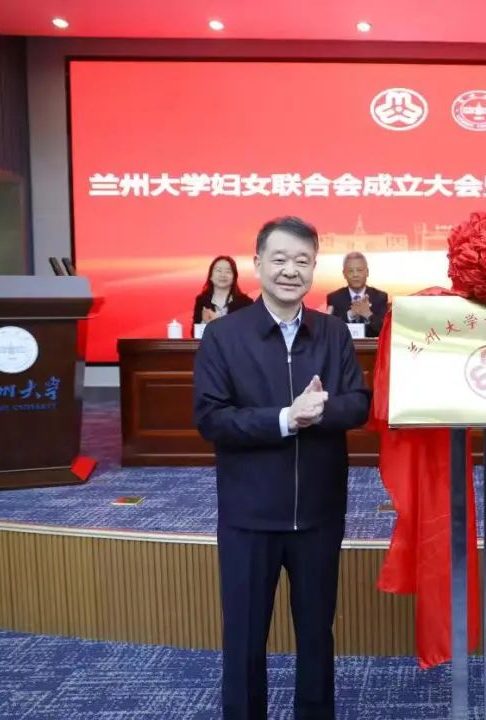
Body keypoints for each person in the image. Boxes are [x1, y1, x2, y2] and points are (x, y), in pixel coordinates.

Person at [193, 217, 371, 719]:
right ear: (257, 264)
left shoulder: (332, 333)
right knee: (244, 638)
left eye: (302, 261)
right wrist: (284, 419)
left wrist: (319, 411)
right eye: (280, 259)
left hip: (318, 513)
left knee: (316, 635)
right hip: (249, 515)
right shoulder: (224, 335)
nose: (291, 270)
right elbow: (211, 418)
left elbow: (358, 403)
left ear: (314, 268)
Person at [324, 251, 388, 338]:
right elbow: (330, 330)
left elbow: (386, 331)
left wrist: (368, 314)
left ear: (367, 272)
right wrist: (350, 315)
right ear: (344, 274)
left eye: (359, 270)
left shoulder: (380, 297)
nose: (355, 275)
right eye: (350, 271)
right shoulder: (334, 298)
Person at [192, 255, 254, 333]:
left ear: (234, 277)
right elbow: (194, 334)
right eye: (218, 270)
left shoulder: (246, 303)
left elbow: (250, 332)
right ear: (210, 276)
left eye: (228, 271)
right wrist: (203, 323)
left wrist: (217, 322)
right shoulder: (202, 301)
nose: (223, 275)